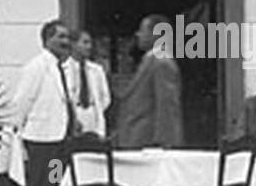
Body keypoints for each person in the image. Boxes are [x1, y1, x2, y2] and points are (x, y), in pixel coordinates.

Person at [10, 19, 76, 186]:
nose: (65, 42)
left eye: (67, 37)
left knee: (54, 184)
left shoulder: (64, 68)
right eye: (60, 37)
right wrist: (17, 130)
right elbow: (23, 100)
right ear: (47, 40)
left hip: (59, 139)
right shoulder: (37, 67)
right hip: (41, 139)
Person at [114, 14, 183, 149]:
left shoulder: (161, 62)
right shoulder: (150, 60)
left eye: (142, 30)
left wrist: (164, 143)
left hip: (147, 143)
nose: (138, 34)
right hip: (136, 140)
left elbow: (167, 105)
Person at [68, 28, 112, 138]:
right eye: (85, 43)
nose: (89, 47)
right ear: (73, 44)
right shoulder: (64, 68)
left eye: (90, 43)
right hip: (75, 112)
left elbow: (105, 97)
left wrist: (96, 110)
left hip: (93, 113)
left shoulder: (96, 70)